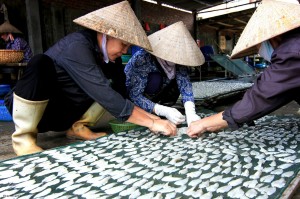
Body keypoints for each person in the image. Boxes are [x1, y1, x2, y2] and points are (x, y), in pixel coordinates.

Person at [4, 1, 177, 156]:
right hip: (37, 112)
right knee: (39, 62)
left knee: (115, 85)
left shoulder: (110, 59)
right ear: (106, 34)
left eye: (128, 47)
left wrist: (154, 117)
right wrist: (151, 123)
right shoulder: (77, 46)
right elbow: (102, 93)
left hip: (62, 116)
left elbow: (122, 94)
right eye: (123, 44)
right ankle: (23, 139)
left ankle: (78, 127)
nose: (125, 51)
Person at [187, 0, 300, 138]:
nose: (260, 52)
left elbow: (262, 97)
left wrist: (205, 123)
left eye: (259, 46)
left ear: (273, 37)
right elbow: (281, 90)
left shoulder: (292, 51)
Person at [125, 21, 204, 127]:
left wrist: (191, 112)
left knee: (177, 82)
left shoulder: (179, 61)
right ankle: (154, 109)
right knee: (155, 79)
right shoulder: (142, 58)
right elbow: (134, 95)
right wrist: (162, 110)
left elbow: (185, 85)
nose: (177, 58)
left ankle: (163, 106)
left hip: (160, 94)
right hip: (134, 98)